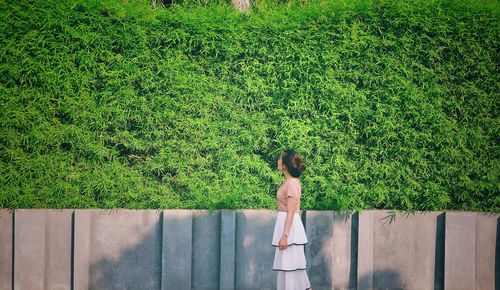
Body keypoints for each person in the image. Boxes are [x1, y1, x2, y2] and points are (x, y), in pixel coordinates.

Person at [272, 149, 312, 290]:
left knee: (291, 266)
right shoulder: (289, 182)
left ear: (285, 165)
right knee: (290, 266)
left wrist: (285, 236)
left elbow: (290, 212)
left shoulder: (292, 184)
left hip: (290, 229)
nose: (277, 161)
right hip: (287, 225)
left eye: (279, 159)